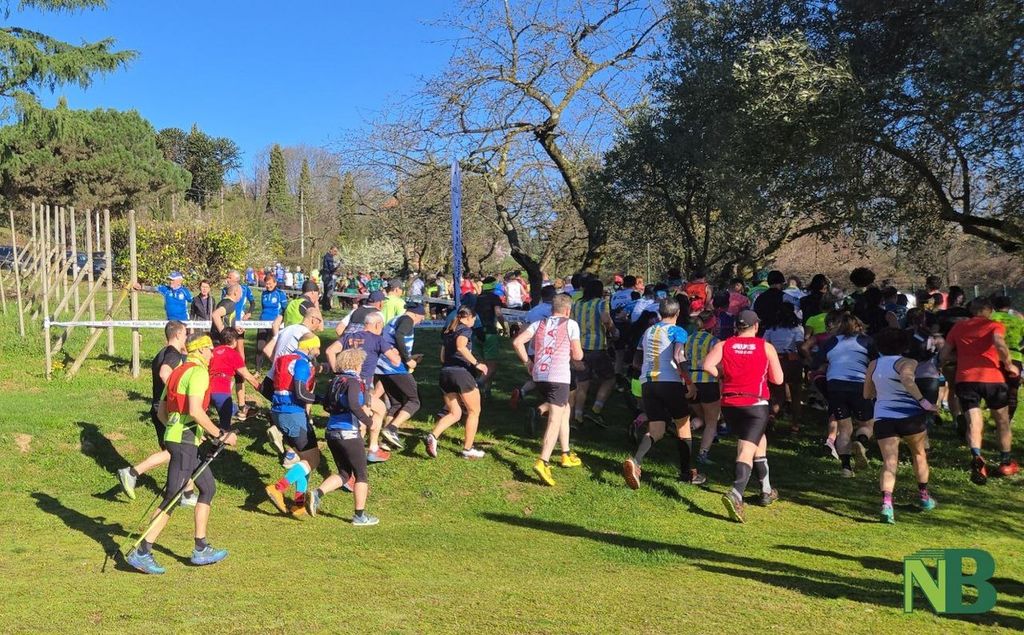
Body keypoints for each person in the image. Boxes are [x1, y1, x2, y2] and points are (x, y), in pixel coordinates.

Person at [125, 334, 238, 574]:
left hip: (179, 437)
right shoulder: (198, 373)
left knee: (208, 488)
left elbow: (162, 411)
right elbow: (196, 411)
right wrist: (221, 434)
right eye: (210, 349)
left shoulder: (177, 372)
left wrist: (184, 429)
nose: (212, 354)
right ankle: (142, 552)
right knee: (173, 497)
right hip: (184, 441)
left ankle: (201, 547)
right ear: (202, 350)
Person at [702, 310, 784, 523]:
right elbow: (778, 379)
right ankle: (736, 493)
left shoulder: (724, 345)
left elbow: (707, 365)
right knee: (746, 448)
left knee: (757, 440)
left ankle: (766, 490)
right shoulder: (765, 347)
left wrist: (722, 375)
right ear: (756, 326)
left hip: (730, 404)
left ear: (737, 327)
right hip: (755, 403)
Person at [622, 298, 707, 489]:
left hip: (647, 382)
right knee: (683, 426)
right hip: (669, 382)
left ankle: (636, 462)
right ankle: (686, 473)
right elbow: (678, 356)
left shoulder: (648, 331)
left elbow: (636, 361)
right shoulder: (677, 331)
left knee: (657, 429)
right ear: (677, 313)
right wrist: (690, 383)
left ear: (660, 313)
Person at [941, 298, 1019, 483]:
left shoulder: (958, 327)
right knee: (1002, 420)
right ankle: (1005, 462)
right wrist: (1009, 365)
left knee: (973, 421)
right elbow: (999, 344)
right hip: (992, 378)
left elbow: (944, 354)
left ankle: (977, 457)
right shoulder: (994, 326)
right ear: (989, 310)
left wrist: (961, 357)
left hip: (966, 379)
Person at [864, 328, 937, 524]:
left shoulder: (873, 364)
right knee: (919, 454)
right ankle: (924, 497)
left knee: (889, 461)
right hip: (910, 416)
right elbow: (906, 379)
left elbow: (867, 394)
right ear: (904, 346)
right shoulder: (908, 362)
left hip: (883, 418)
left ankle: (887, 505)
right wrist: (924, 402)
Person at [511, 294, 584, 486]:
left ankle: (566, 453)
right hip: (558, 376)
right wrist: (577, 354)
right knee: (555, 418)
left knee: (565, 409)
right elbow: (577, 355)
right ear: (568, 310)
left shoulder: (539, 323)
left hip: (539, 375)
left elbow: (517, 342)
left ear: (552, 309)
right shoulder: (571, 324)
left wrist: (527, 362)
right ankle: (543, 461)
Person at [117, 321, 192, 502]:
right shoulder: (172, 354)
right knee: (179, 450)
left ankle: (186, 494)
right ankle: (132, 473)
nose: (187, 337)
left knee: (179, 452)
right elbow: (164, 373)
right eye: (185, 334)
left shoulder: (162, 353)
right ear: (177, 335)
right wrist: (178, 394)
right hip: (165, 410)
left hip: (159, 407)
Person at [306, 347, 379, 525]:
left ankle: (317, 494)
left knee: (345, 474)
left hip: (331, 432)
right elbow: (354, 405)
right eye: (361, 363)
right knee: (361, 474)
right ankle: (359, 516)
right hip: (349, 433)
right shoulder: (353, 382)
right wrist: (369, 422)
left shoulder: (335, 380)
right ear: (355, 363)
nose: (362, 366)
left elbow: (326, 405)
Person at [328, 311, 402, 462]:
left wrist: (337, 371)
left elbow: (330, 351)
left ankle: (372, 448)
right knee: (362, 420)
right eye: (382, 326)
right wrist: (396, 353)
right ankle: (358, 455)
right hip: (361, 386)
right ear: (377, 325)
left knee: (380, 408)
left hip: (344, 383)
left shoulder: (349, 336)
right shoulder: (377, 339)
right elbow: (396, 361)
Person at [264, 334, 322, 516]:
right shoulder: (302, 363)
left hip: (279, 412)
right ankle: (278, 488)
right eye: (317, 348)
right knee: (313, 460)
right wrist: (323, 400)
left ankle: (298, 503)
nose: (318, 352)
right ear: (309, 346)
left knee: (304, 459)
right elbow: (301, 393)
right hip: (293, 414)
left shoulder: (283, 359)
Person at [816, 313, 878, 477]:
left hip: (835, 386)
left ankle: (846, 468)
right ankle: (861, 442)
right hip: (859, 385)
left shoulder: (830, 342)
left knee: (844, 429)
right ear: (859, 326)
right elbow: (876, 362)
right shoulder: (867, 341)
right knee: (867, 424)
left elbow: (817, 362)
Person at [425, 307, 489, 459]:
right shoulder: (465, 330)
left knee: (455, 413)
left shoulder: (448, 331)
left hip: (445, 374)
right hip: (461, 375)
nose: (474, 322)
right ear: (468, 318)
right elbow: (461, 346)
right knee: (474, 411)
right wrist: (477, 364)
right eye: (474, 319)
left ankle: (433, 436)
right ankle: (468, 449)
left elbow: (442, 357)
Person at [375, 302, 427, 448]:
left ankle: (385, 441)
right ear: (416, 314)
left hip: (382, 367)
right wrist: (408, 359)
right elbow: (399, 336)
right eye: (422, 317)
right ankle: (391, 429)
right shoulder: (407, 320)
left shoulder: (395, 319)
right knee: (414, 400)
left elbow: (390, 340)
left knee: (396, 403)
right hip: (394, 367)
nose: (422, 320)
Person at [570, 278, 617, 427]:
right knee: (609, 378)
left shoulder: (577, 304)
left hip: (579, 347)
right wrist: (614, 331)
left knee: (582, 383)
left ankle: (578, 415)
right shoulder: (601, 303)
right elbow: (606, 319)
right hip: (596, 347)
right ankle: (596, 409)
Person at [510, 285, 556, 408]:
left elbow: (522, 332)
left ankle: (522, 392)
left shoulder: (533, 311)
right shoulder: (556, 311)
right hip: (550, 349)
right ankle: (549, 405)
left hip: (533, 349)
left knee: (537, 375)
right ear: (554, 296)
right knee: (552, 378)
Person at [685, 312, 721, 465]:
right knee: (712, 421)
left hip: (690, 382)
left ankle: (686, 432)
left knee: (702, 417)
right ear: (713, 325)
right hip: (708, 381)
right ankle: (703, 454)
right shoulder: (714, 341)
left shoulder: (688, 339)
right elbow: (719, 364)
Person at [208, 329, 261, 430]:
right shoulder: (233, 354)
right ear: (234, 341)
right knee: (225, 428)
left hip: (206, 389)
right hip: (221, 391)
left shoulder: (213, 352)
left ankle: (239, 412)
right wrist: (261, 387)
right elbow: (246, 375)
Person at [763, 302, 805, 431]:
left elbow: (764, 344)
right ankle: (795, 424)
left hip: (775, 360)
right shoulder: (797, 328)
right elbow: (800, 346)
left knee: (778, 394)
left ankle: (771, 415)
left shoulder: (771, 329)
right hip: (792, 361)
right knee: (796, 394)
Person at [990, 296, 1023, 422]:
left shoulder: (991, 318)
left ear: (994, 306)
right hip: (1015, 357)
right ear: (1009, 306)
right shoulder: (1018, 320)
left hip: (994, 357)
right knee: (1013, 391)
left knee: (997, 389)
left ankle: (998, 419)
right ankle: (1008, 419)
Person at [256, 274, 288, 372]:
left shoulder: (280, 294)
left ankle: (276, 368)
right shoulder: (264, 293)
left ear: (275, 283)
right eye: (266, 284)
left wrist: (280, 321)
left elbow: (285, 309)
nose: (268, 286)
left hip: (275, 324)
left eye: (270, 284)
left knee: (276, 347)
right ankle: (258, 370)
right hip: (263, 322)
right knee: (260, 346)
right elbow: (263, 308)